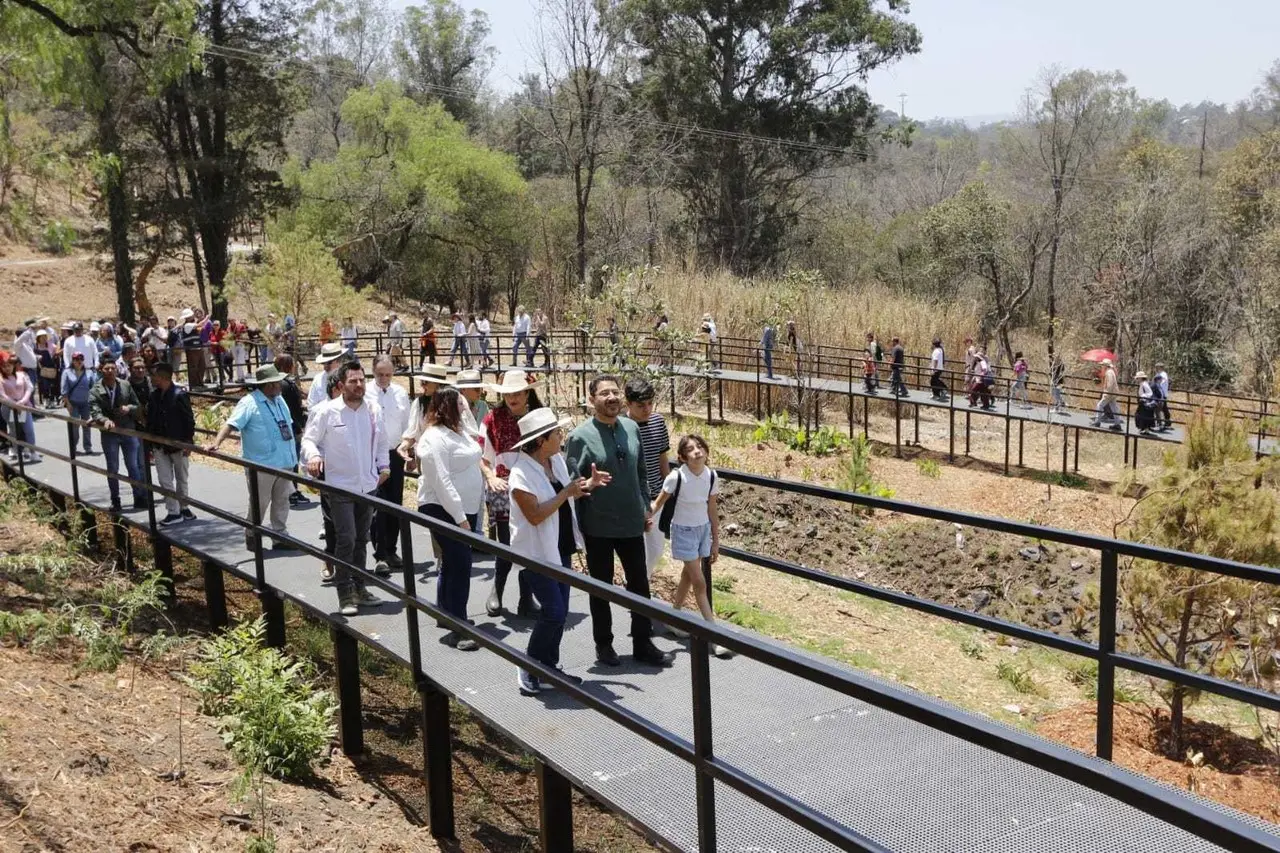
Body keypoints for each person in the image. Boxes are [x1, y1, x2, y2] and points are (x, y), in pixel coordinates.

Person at [565, 374, 672, 668]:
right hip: (598, 524)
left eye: (615, 392)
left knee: (639, 583)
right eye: (604, 394)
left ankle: (642, 642)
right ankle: (604, 644)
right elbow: (573, 485)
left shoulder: (630, 428)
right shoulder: (579, 437)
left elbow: (640, 473)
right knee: (601, 586)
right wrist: (589, 483)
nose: (611, 398)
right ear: (592, 400)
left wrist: (645, 508)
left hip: (630, 522)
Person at [509, 408, 609, 694]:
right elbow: (536, 515)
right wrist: (566, 493)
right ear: (542, 440)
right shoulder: (520, 474)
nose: (561, 437)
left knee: (561, 611)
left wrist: (586, 485)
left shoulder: (555, 461)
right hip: (536, 553)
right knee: (553, 611)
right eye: (556, 433)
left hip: (559, 546)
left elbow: (565, 493)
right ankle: (529, 665)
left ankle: (548, 665)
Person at [302, 360, 390, 615]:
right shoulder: (326, 411)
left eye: (362, 380)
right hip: (339, 486)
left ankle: (360, 586)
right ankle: (345, 592)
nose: (359, 385)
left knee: (363, 538)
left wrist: (384, 467)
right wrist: (313, 457)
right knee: (346, 539)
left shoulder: (373, 410)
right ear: (341, 385)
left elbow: (382, 442)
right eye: (353, 381)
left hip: (368, 485)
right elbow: (309, 440)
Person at [650, 434, 731, 658]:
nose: (697, 451)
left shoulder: (711, 476)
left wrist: (716, 540)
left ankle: (673, 617)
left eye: (700, 447)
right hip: (683, 531)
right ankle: (714, 635)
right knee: (699, 581)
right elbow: (658, 503)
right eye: (691, 449)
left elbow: (712, 509)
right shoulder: (677, 477)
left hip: (702, 529)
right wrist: (646, 518)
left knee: (688, 574)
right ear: (683, 457)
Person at [416, 387, 483, 649]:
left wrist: (465, 417)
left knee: (451, 561)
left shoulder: (462, 432)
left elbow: (476, 437)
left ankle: (445, 611)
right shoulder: (434, 437)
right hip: (442, 508)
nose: (466, 407)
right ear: (447, 407)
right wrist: (460, 518)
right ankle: (459, 627)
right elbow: (441, 480)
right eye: (461, 404)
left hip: (464, 508)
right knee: (461, 563)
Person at [206, 364, 300, 550]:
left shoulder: (279, 399)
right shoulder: (249, 403)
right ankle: (252, 533)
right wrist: (217, 443)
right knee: (260, 502)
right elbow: (232, 424)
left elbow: (288, 425)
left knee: (282, 500)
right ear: (268, 385)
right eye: (277, 382)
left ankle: (280, 535)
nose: (281, 384)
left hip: (284, 460)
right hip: (262, 463)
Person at [481, 370, 543, 617]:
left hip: (533, 487)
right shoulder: (491, 419)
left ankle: (526, 598)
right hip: (503, 488)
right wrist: (491, 477)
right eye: (508, 394)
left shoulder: (539, 418)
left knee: (529, 543)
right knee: (506, 543)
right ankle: (497, 589)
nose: (513, 398)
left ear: (527, 392)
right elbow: (483, 457)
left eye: (517, 393)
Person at [624, 377, 670, 580]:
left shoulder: (658, 422)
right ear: (628, 404)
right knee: (635, 548)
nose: (647, 409)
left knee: (656, 549)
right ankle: (636, 589)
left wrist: (668, 489)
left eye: (650, 403)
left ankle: (639, 584)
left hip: (656, 497)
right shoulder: (621, 426)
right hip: (631, 498)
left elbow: (663, 458)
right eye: (641, 405)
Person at [370, 355, 411, 574]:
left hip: (396, 452)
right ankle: (380, 554)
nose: (384, 378)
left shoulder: (400, 393)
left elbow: (407, 425)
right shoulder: (366, 392)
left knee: (395, 503)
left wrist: (409, 450)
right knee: (378, 505)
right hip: (373, 454)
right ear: (373, 372)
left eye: (388, 374)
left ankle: (392, 549)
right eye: (380, 374)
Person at [89, 358, 145, 510]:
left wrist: (129, 408)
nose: (110, 371)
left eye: (113, 368)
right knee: (113, 467)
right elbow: (95, 410)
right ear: (101, 370)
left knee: (133, 465)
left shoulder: (125, 385)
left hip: (127, 429)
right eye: (107, 369)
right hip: (109, 433)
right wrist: (104, 419)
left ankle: (139, 496)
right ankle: (116, 499)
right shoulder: (95, 390)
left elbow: (137, 405)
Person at [145, 363, 196, 525]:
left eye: (155, 376)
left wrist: (188, 442)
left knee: (182, 477)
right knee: (164, 478)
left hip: (178, 443)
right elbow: (151, 419)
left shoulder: (179, 395)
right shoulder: (154, 396)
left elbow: (189, 420)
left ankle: (184, 506)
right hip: (160, 443)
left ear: (162, 377)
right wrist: (151, 442)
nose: (153, 379)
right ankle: (173, 511)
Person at [275, 354, 310, 507]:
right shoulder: (287, 383)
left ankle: (290, 490)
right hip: (292, 425)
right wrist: (300, 423)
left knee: (287, 460)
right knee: (293, 460)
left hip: (281, 426)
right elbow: (295, 407)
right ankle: (292, 492)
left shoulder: (276, 383)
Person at [0, 356, 39, 464]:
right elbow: (2, 394)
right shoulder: (1, 378)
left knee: (28, 429)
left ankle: (32, 451)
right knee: (14, 429)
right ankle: (16, 449)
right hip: (9, 407)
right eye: (4, 367)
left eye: (9, 366)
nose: (7, 368)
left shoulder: (22, 375)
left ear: (13, 365)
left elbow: (29, 388)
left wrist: (22, 402)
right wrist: (15, 405)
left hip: (23, 405)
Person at [61, 352, 96, 454]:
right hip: (73, 403)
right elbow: (64, 389)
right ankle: (73, 446)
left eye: (81, 359)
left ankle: (88, 447)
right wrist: (67, 403)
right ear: (73, 361)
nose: (79, 361)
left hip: (86, 402)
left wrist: (93, 403)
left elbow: (93, 388)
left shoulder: (89, 372)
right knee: (75, 426)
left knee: (87, 424)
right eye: (76, 359)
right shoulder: (67, 372)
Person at [126, 358, 153, 478]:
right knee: (138, 463)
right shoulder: (124, 385)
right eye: (136, 368)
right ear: (130, 369)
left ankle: (147, 490)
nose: (140, 370)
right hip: (133, 427)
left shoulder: (151, 383)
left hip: (151, 425)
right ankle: (142, 492)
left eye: (142, 367)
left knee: (147, 462)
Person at [307, 342, 347, 410]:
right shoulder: (318, 379)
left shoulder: (350, 378)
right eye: (323, 363)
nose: (325, 367)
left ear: (338, 360)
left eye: (328, 363)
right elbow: (311, 406)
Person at [454, 368, 489, 435]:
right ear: (463, 389)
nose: (480, 392)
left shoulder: (482, 406)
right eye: (477, 389)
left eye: (480, 389)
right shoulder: (453, 406)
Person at [1091, 359, 1122, 430]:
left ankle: (1097, 422)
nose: (1102, 366)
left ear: (1105, 365)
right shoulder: (1110, 372)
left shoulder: (1109, 373)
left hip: (1110, 393)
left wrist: (1107, 393)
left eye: (1103, 365)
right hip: (1113, 393)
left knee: (1100, 405)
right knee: (1114, 408)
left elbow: (1110, 384)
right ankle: (1117, 424)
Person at [1135, 370, 1157, 435]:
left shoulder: (1144, 384)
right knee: (1144, 416)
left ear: (1141, 378)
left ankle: (1144, 429)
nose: (1137, 379)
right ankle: (1145, 430)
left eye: (1138, 378)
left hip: (1145, 402)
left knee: (1140, 415)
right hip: (1144, 402)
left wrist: (1143, 396)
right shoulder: (1143, 383)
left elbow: (1150, 393)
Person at [1154, 363, 1173, 431]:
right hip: (1159, 393)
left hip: (1162, 394)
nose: (1156, 368)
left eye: (1157, 367)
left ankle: (1165, 422)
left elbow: (1162, 383)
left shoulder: (1163, 374)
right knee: (1163, 408)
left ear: (1160, 367)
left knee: (1162, 408)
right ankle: (1166, 422)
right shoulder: (1158, 374)